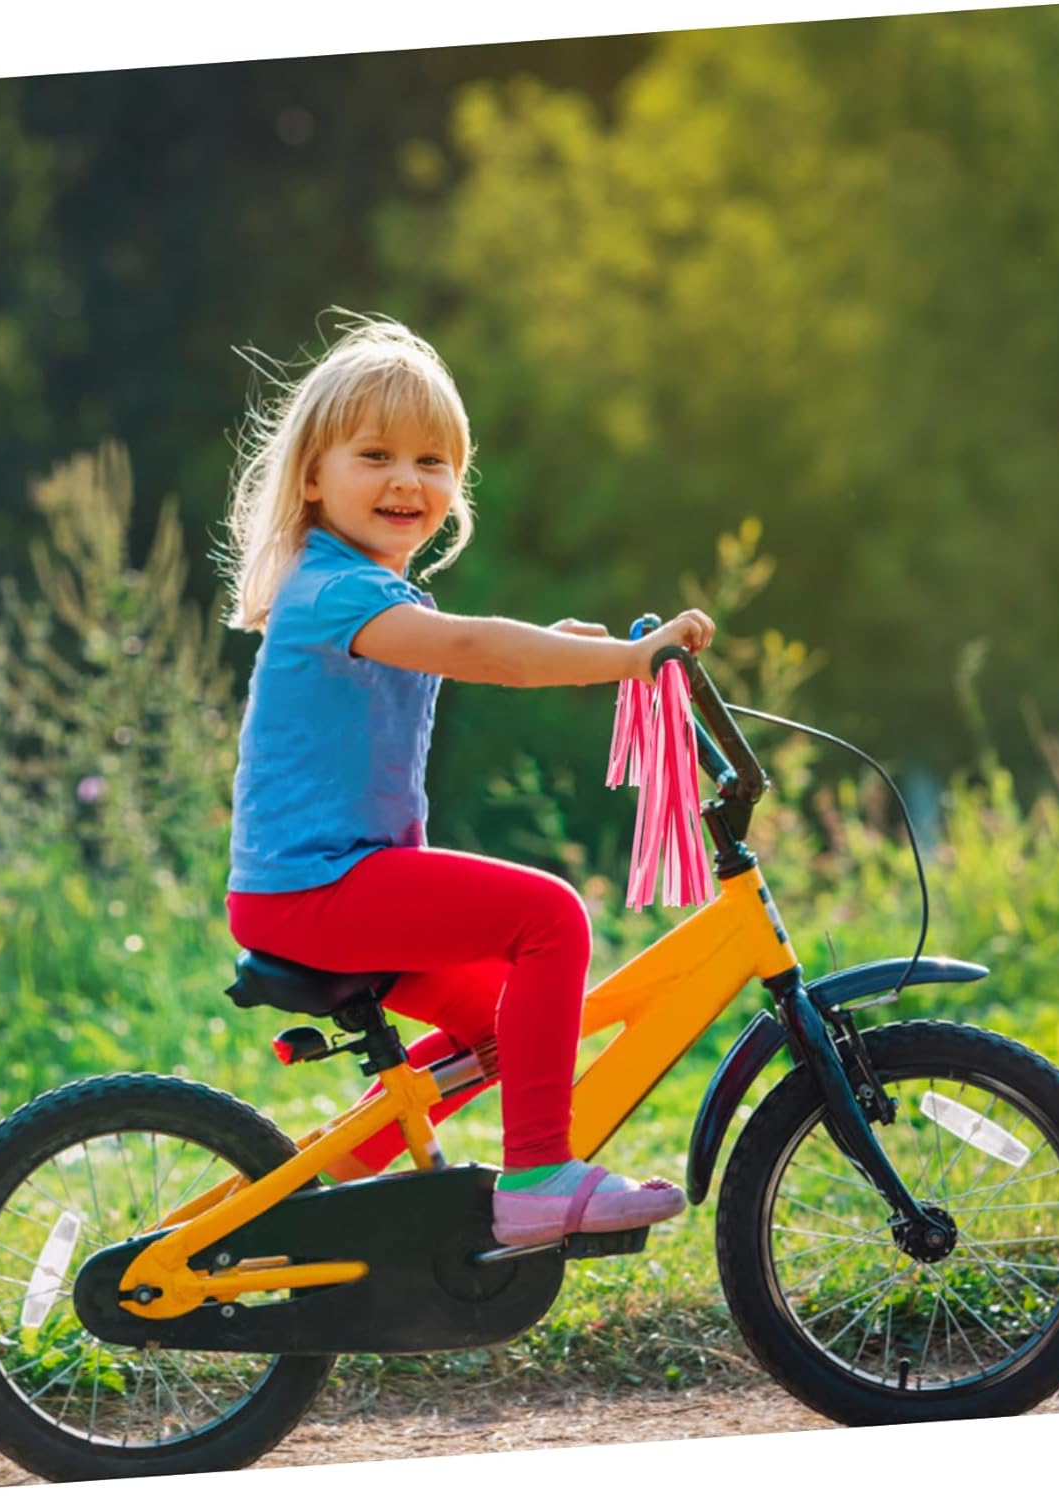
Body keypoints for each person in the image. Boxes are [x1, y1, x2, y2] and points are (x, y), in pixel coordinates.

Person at [219, 312, 714, 1246]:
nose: (407, 480)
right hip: (318, 889)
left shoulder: (362, 589)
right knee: (551, 918)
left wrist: (566, 648)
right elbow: (479, 651)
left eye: (432, 461)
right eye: (376, 456)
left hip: (325, 885)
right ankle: (538, 1177)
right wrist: (626, 661)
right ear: (314, 477)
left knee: (507, 1024)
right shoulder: (338, 593)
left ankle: (320, 1194)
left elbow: (468, 646)